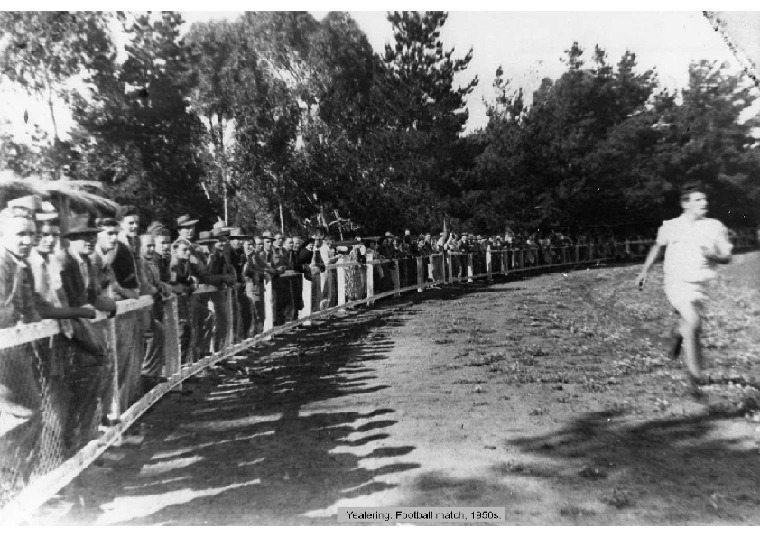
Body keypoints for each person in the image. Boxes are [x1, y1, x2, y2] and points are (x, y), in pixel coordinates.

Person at [635, 184, 733, 397]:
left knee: (691, 324)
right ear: (685, 203)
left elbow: (727, 256)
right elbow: (657, 247)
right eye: (698, 200)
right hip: (676, 282)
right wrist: (644, 272)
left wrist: (713, 256)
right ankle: (695, 376)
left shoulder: (715, 226)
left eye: (705, 200)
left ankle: (678, 333)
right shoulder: (671, 226)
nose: (704, 204)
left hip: (701, 286)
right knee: (694, 322)